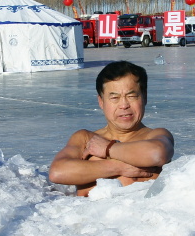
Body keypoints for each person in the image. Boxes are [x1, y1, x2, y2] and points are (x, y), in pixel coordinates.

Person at [48, 61, 174, 197]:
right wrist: (118, 167)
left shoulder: (155, 136)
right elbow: (58, 172)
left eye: (131, 96)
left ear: (144, 97)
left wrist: (107, 149)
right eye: (114, 97)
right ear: (101, 102)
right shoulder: (85, 139)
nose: (124, 105)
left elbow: (157, 154)